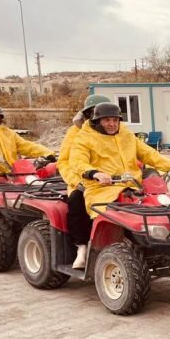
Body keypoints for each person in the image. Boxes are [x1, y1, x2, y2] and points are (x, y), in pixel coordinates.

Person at [68, 102, 170, 265]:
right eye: (107, 120)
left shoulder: (127, 135)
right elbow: (77, 161)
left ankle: (163, 243)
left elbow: (148, 154)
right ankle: (83, 249)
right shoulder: (83, 138)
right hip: (102, 189)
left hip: (133, 186)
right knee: (97, 210)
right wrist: (95, 173)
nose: (112, 124)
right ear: (97, 121)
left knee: (159, 207)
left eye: (115, 120)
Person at [57, 94, 111, 268]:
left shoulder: (114, 131)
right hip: (82, 180)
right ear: (87, 114)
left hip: (111, 180)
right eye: (93, 112)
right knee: (76, 202)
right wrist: (76, 181)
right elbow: (64, 162)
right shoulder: (75, 134)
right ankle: (82, 248)